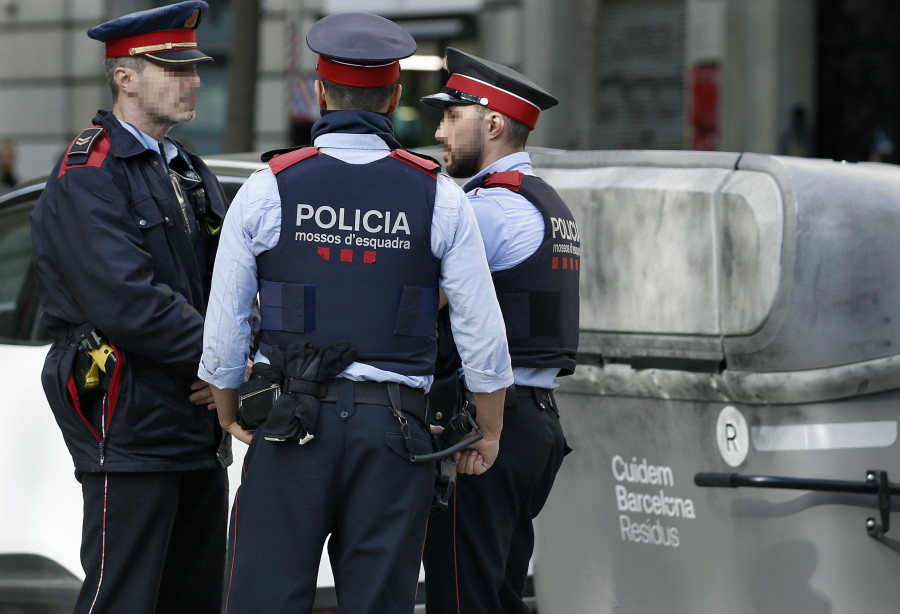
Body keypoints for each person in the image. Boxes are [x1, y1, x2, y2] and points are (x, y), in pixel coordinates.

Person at [198, 12, 512, 614]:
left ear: (320, 92)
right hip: (395, 438)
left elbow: (225, 328)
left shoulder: (268, 187)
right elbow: (482, 333)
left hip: (289, 425)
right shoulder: (438, 194)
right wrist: (490, 428)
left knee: (263, 599)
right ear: (395, 97)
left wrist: (231, 410)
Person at [29, 3, 230, 613]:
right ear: (124, 77)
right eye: (171, 67)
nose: (191, 80)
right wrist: (219, 362)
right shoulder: (90, 173)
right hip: (130, 409)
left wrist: (230, 363)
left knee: (191, 595)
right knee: (125, 595)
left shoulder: (187, 170)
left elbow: (229, 283)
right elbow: (127, 300)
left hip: (192, 418)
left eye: (192, 67)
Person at [420, 48, 580, 614]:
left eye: (450, 117)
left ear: (491, 123)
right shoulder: (543, 200)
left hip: (485, 424)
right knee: (501, 593)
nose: (438, 131)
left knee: (461, 596)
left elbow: (420, 304)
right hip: (534, 422)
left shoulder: (487, 209)